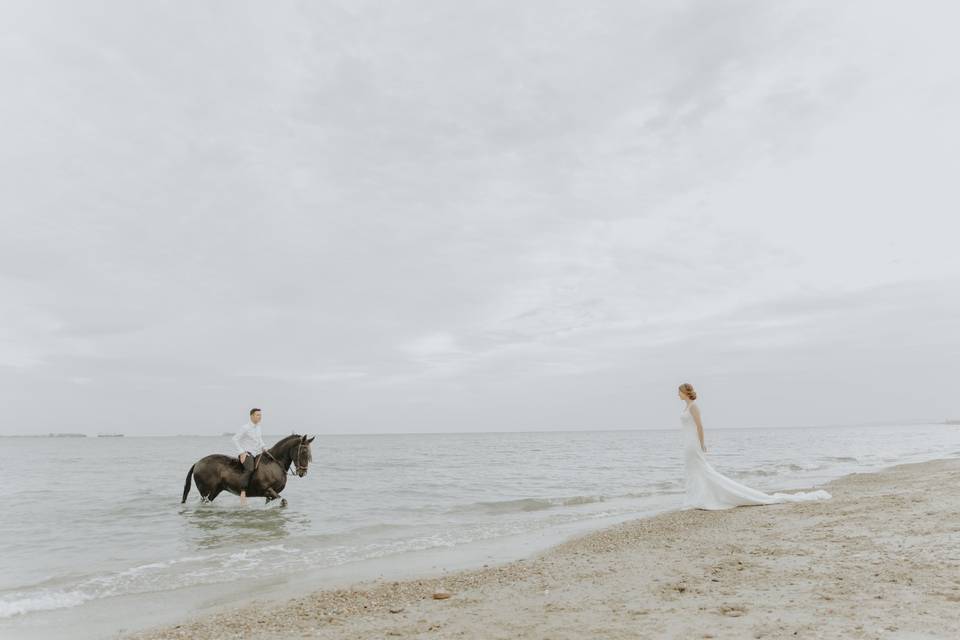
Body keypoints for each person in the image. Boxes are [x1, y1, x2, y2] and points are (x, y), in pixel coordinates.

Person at [678, 383, 831, 510]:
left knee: (702, 469)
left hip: (694, 443)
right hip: (688, 442)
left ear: (685, 392)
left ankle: (706, 497)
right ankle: (696, 496)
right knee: (693, 470)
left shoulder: (694, 407)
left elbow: (700, 426)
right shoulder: (686, 407)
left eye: (679, 392)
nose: (678, 394)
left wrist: (702, 443)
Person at [232, 408, 267, 506]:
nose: (259, 417)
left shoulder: (258, 427)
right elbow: (235, 439)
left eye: (260, 415)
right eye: (257, 415)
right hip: (247, 453)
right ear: (251, 416)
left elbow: (259, 440)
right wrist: (242, 452)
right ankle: (242, 492)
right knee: (250, 469)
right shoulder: (245, 427)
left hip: (257, 453)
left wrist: (264, 447)